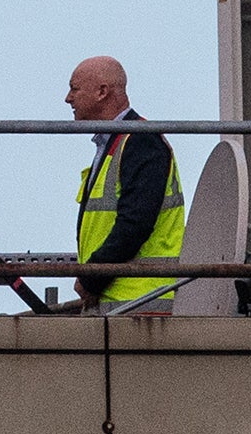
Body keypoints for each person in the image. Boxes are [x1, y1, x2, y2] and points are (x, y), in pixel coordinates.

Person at [66, 56, 185, 312]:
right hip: (122, 303)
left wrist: (92, 278)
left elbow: (135, 223)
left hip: (140, 304)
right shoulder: (122, 142)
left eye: (75, 88)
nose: (68, 98)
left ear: (102, 92)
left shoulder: (140, 141)